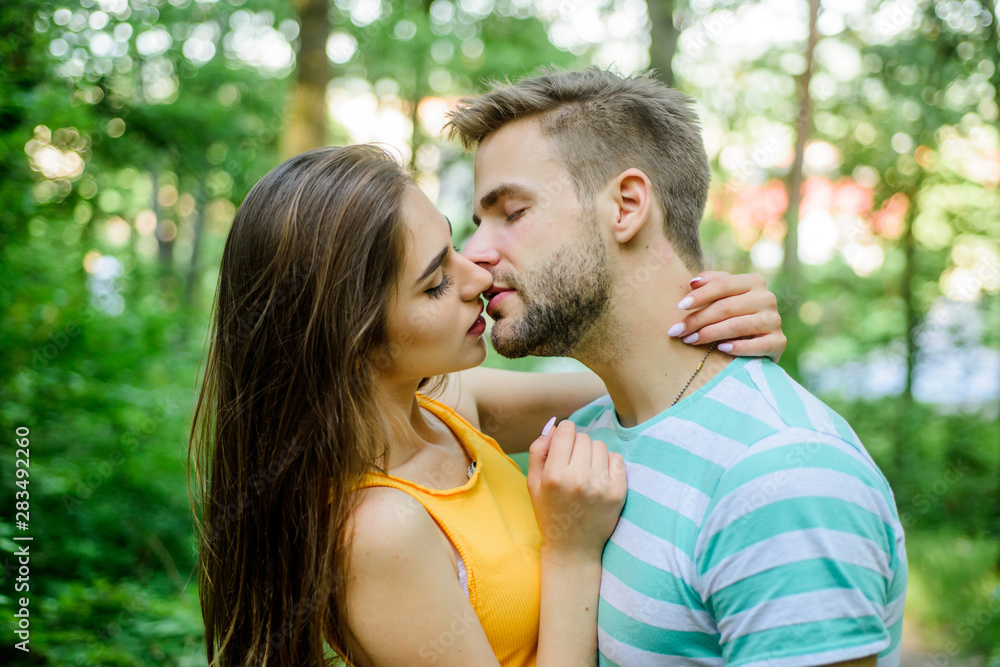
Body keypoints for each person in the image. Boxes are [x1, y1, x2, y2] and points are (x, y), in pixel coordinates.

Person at [188, 144, 788, 667]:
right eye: (434, 283)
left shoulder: (446, 408)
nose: (474, 275)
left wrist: (719, 318)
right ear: (354, 338)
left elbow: (640, 383)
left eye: (451, 248)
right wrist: (572, 551)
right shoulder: (381, 529)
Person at [446, 67, 907, 667]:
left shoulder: (784, 478)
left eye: (511, 211)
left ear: (627, 206)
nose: (475, 255)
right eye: (479, 221)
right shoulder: (588, 433)